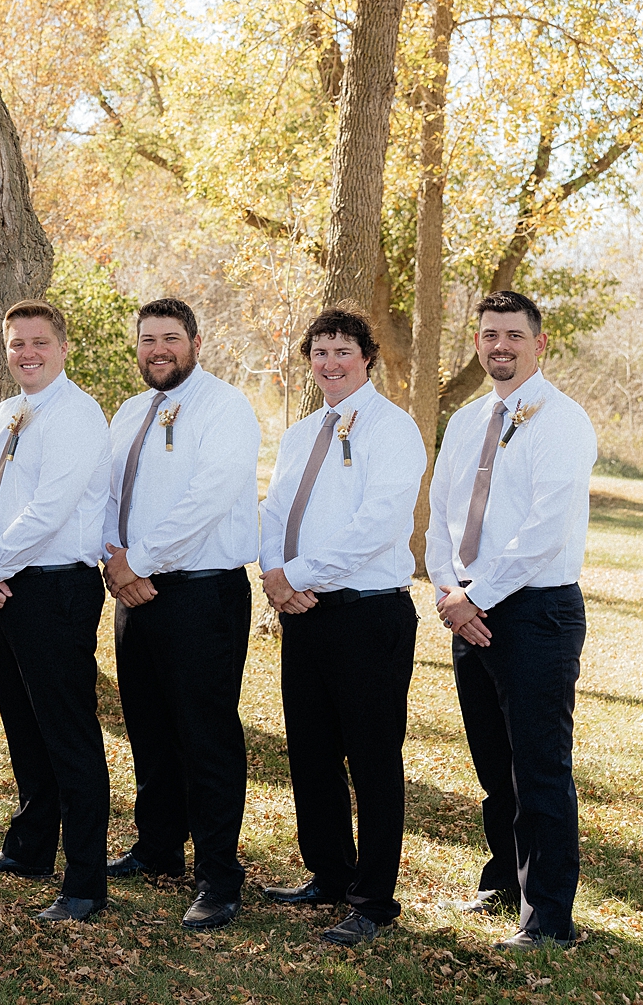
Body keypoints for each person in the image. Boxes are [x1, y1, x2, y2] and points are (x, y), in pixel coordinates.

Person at [428, 290, 596, 950]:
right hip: (468, 605)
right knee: (494, 766)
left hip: (534, 612)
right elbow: (442, 509)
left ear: (539, 343)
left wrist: (478, 597)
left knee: (539, 767)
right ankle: (505, 880)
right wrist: (448, 586)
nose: (500, 346)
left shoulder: (564, 420)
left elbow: (544, 529)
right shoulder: (469, 420)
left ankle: (549, 918)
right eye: (489, 335)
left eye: (513, 336)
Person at [257, 309, 425, 946]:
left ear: (367, 357)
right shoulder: (301, 433)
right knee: (311, 749)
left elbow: (380, 524)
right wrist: (275, 573)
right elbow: (275, 509)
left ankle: (372, 899)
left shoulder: (394, 429)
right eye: (320, 351)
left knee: (372, 756)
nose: (331, 362)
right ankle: (327, 872)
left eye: (343, 351)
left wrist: (298, 574)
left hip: (367, 612)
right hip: (302, 611)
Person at [102, 298, 261, 931]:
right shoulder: (129, 411)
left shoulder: (225, 407)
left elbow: (210, 498)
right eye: (147, 340)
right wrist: (113, 560)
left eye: (170, 338)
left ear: (196, 340)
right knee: (149, 727)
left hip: (201, 593)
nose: (158, 349)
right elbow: (108, 493)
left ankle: (219, 876)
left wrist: (139, 559)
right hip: (131, 592)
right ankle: (158, 848)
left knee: (206, 734)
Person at [0, 300, 113, 923]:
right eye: (18, 343)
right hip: (4, 584)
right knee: (23, 724)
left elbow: (50, 508)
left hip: (56, 588)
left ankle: (85, 882)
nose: (28, 353)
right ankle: (29, 847)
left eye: (39, 342)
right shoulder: (2, 415)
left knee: (67, 732)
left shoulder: (77, 415)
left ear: (63, 347)